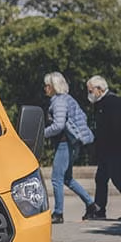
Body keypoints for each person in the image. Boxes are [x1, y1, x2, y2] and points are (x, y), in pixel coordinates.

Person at [43, 72, 95, 224]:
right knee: (67, 178)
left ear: (54, 87)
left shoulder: (59, 102)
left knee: (56, 178)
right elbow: (82, 117)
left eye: (47, 85)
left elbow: (58, 125)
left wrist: (42, 133)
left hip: (65, 143)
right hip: (73, 144)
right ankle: (91, 205)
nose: (45, 88)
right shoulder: (68, 99)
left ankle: (58, 213)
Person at [86, 75, 121, 220]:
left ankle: (99, 209)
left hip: (115, 149)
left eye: (90, 91)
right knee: (100, 179)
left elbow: (116, 127)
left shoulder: (112, 102)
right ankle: (99, 210)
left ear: (99, 89)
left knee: (118, 179)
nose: (89, 94)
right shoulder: (100, 104)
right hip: (105, 151)